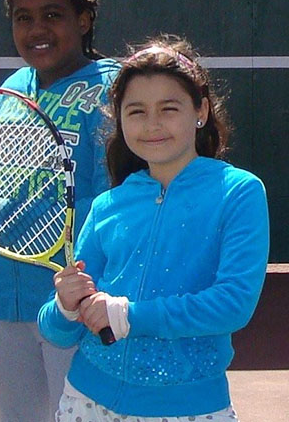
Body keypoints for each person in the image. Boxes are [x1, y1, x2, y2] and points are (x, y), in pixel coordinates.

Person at [38, 35, 269, 421]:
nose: (153, 124)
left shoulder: (239, 192)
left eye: (169, 108)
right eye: (137, 111)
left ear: (202, 111)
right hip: (85, 400)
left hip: (190, 409)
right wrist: (64, 305)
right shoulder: (107, 205)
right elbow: (59, 330)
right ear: (120, 119)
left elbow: (233, 304)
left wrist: (130, 315)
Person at [0, 0, 119, 422]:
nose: (37, 28)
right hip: (2, 296)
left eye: (52, 15)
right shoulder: (12, 88)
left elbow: (117, 202)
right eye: (23, 17)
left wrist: (88, 285)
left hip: (75, 299)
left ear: (83, 19)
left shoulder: (115, 88)